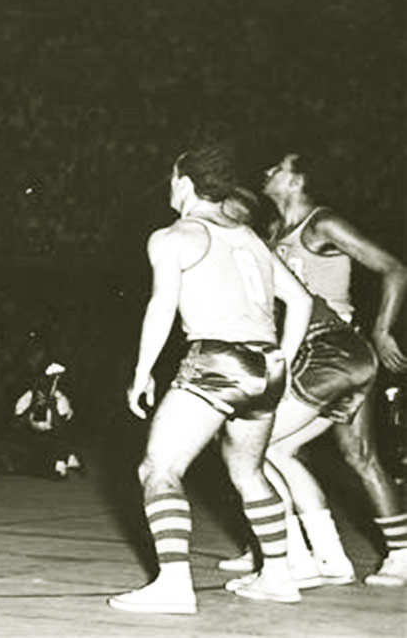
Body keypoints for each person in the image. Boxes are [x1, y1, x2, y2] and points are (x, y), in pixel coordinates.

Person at [108, 144, 313, 614]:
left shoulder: (174, 235)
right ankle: (279, 576)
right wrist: (283, 353)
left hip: (218, 360)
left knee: (159, 467)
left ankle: (174, 585)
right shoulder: (249, 237)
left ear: (184, 183)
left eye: (172, 177)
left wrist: (142, 372)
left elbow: (161, 306)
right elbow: (300, 301)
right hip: (268, 366)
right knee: (249, 471)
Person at [218, 151, 407, 587]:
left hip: (334, 350)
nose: (267, 169)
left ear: (298, 179)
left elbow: (393, 268)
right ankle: (280, 547)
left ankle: (398, 552)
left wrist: (382, 330)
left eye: (277, 166)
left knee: (356, 453)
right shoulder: (270, 232)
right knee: (270, 447)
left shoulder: (323, 224)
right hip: (298, 351)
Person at [12, 361, 84, 479]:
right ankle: (64, 462)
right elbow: (18, 412)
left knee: (57, 440)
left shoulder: (59, 397)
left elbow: (64, 418)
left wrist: (55, 407)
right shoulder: (32, 394)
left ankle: (63, 463)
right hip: (34, 434)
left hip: (53, 435)